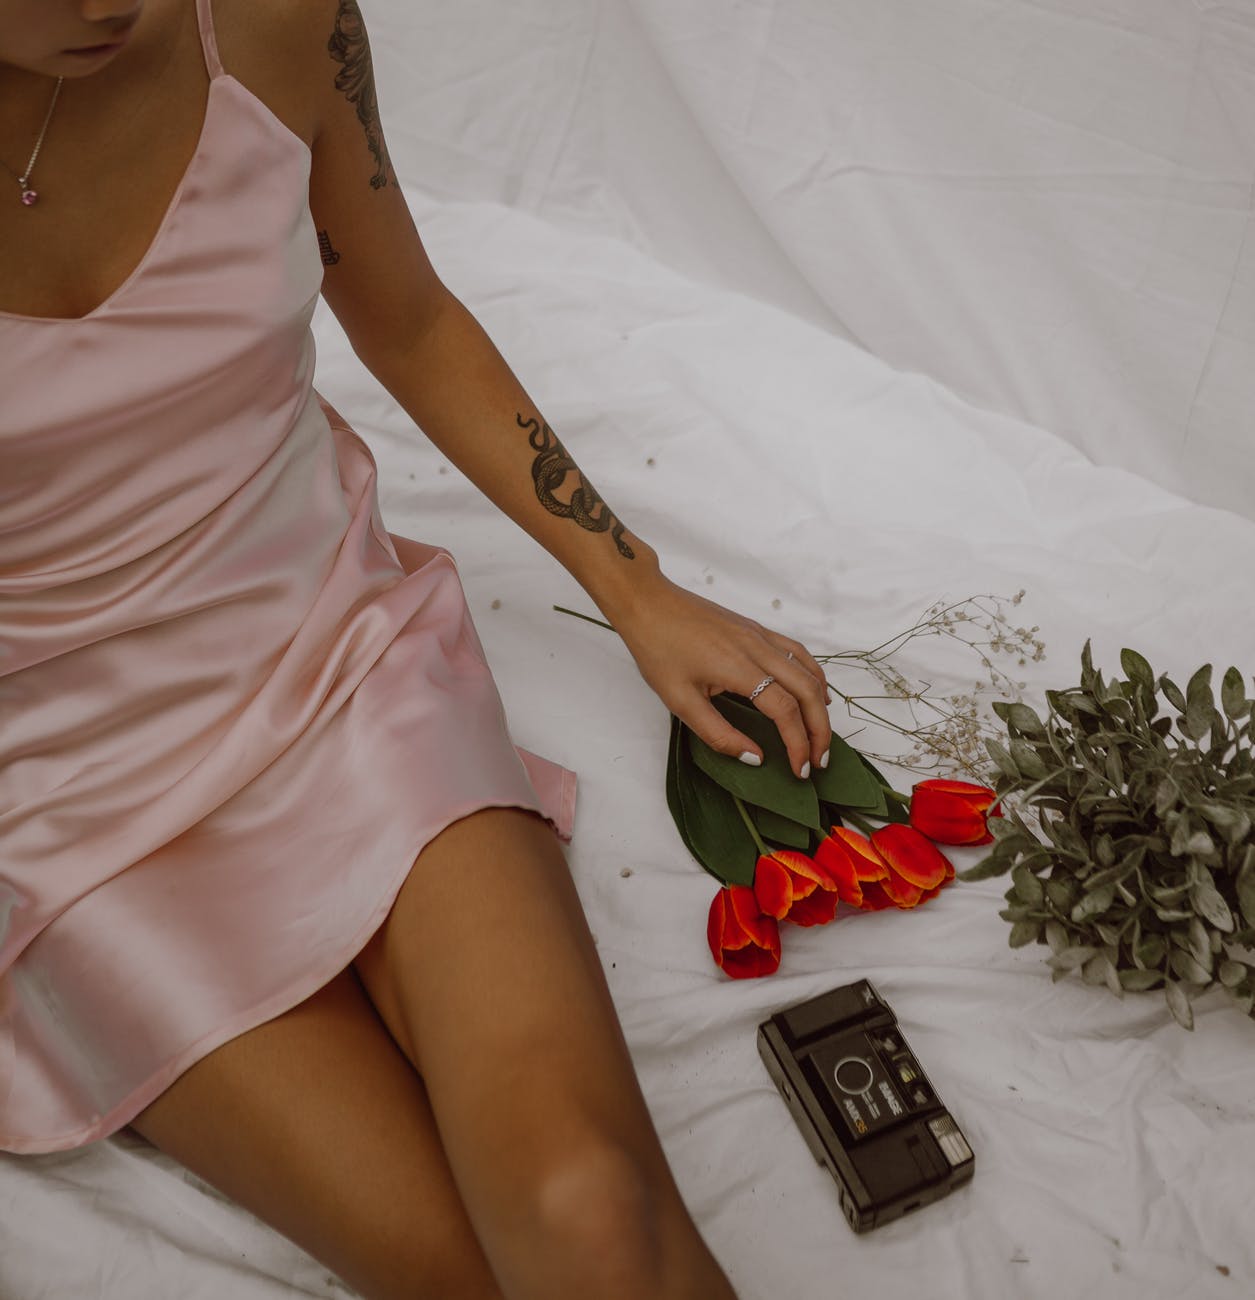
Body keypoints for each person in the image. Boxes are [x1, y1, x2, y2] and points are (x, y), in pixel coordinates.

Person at [0, 2, 833, 1296]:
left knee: (591, 1211)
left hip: (332, 662)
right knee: (459, 1275)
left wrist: (639, 588)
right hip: (57, 802)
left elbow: (410, 315)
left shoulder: (275, 21)